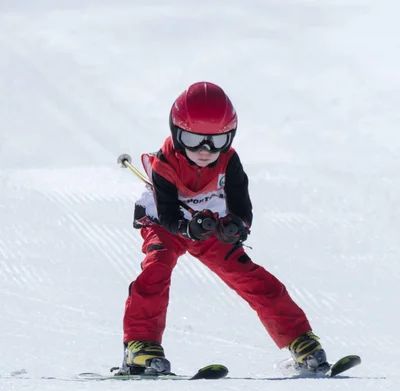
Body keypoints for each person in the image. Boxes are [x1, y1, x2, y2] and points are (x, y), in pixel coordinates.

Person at [117, 81, 329, 376]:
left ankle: (301, 340)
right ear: (177, 134)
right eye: (193, 139)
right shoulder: (165, 163)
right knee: (157, 267)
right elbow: (167, 214)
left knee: (248, 274)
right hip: (168, 224)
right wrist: (186, 228)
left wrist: (237, 226)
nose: (205, 151)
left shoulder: (229, 161)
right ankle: (140, 346)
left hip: (208, 224)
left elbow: (242, 206)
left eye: (217, 141)